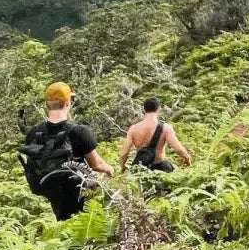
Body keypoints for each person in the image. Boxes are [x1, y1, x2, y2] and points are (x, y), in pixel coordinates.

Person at [19, 82, 114, 221]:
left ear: (47, 104)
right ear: (68, 102)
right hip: (76, 190)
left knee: (63, 221)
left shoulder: (33, 133)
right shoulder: (78, 131)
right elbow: (97, 165)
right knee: (79, 224)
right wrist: (110, 170)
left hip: (49, 189)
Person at [118, 97, 192, 174]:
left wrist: (123, 167)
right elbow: (178, 149)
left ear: (144, 109)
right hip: (160, 168)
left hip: (140, 169)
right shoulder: (166, 128)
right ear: (159, 109)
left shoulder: (133, 129)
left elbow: (124, 153)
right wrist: (187, 158)